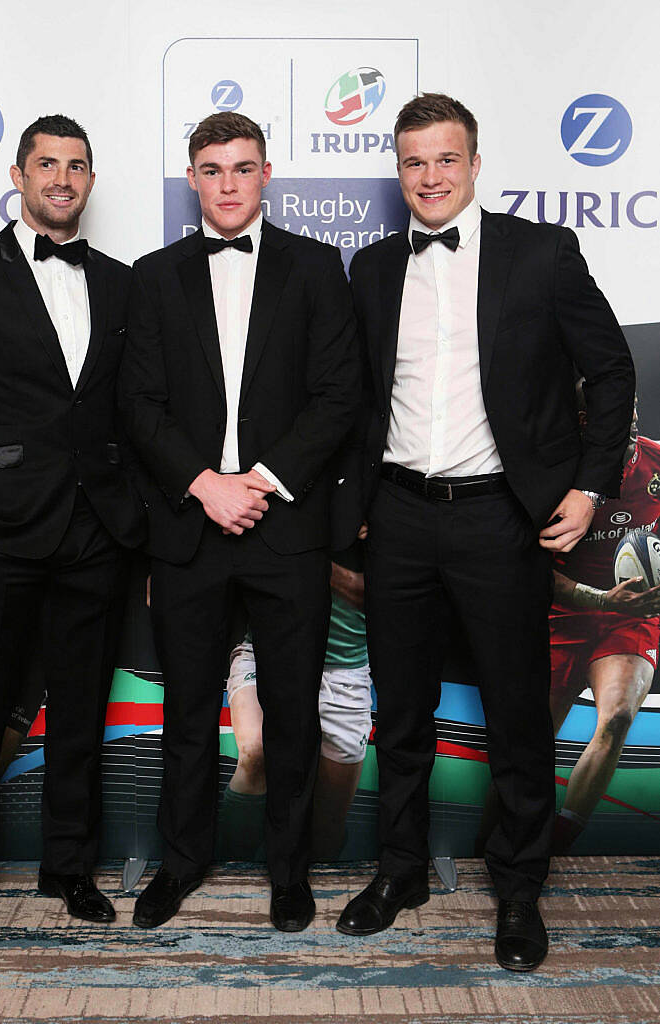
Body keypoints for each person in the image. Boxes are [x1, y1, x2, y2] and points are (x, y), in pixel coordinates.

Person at [337, 92, 635, 971]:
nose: (429, 176)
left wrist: (588, 487)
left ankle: (517, 890)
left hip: (501, 518)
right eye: (412, 161)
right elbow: (356, 400)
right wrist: (348, 511)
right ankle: (399, 872)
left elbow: (610, 371)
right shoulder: (373, 267)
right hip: (394, 516)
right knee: (399, 712)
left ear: (473, 164)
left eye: (444, 159)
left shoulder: (540, 253)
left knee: (514, 715)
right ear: (398, 173)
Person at [0, 114, 146, 955]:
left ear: (89, 179)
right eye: (47, 164)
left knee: (81, 706)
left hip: (97, 528)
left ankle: (69, 869)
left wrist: (132, 523)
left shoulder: (122, 284)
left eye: (77, 165)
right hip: (0, 527)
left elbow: (133, 410)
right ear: (18, 174)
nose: (63, 178)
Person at [121, 111, 358, 932]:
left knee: (293, 713)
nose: (227, 183)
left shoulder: (317, 266)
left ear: (267, 174)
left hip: (285, 530)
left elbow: (339, 395)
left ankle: (288, 874)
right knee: (187, 713)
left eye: (242, 167)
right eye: (212, 169)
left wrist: (255, 482)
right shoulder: (153, 277)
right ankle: (181, 864)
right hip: (189, 528)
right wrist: (203, 485)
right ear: (191, 178)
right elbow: (137, 404)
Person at [548, 401, 660, 852]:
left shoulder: (656, 463)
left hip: (632, 616)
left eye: (630, 425)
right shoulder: (550, 476)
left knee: (616, 717)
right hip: (563, 613)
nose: (625, 437)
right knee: (531, 743)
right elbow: (531, 574)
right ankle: (497, 843)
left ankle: (560, 840)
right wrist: (597, 597)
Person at [217, 551, 372, 862]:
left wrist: (302, 548)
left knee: (327, 825)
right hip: (268, 649)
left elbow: (371, 593)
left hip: (342, 670)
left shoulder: (365, 509)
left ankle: (319, 895)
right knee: (256, 753)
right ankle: (228, 874)